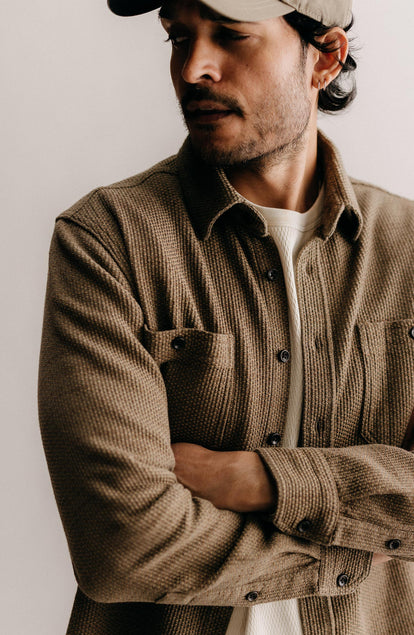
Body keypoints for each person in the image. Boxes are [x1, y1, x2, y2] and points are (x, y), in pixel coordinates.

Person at [38, 0, 414, 633]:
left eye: (232, 37)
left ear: (324, 58)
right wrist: (349, 552)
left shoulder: (408, 250)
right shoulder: (108, 240)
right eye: (179, 38)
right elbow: (123, 545)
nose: (193, 68)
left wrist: (262, 479)